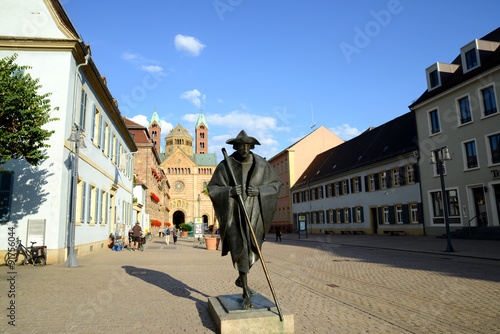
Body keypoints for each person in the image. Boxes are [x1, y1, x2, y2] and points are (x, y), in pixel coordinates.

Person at [207, 130, 281, 309]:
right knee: (241, 249)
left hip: (255, 213)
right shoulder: (226, 165)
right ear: (235, 147)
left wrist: (260, 192)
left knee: (254, 248)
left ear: (252, 146)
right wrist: (230, 192)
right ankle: (246, 292)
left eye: (247, 145)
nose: (244, 149)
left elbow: (275, 185)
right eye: (241, 145)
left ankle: (242, 280)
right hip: (235, 214)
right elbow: (213, 188)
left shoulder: (262, 165)